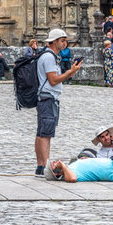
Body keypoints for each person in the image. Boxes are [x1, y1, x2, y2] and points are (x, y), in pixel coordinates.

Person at [35, 29, 82, 177]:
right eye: (62, 40)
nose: (65, 43)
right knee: (46, 134)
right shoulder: (49, 57)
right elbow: (53, 80)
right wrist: (70, 72)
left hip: (47, 98)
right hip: (47, 98)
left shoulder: (51, 56)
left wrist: (70, 72)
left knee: (41, 132)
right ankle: (44, 167)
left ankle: (40, 166)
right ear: (54, 41)